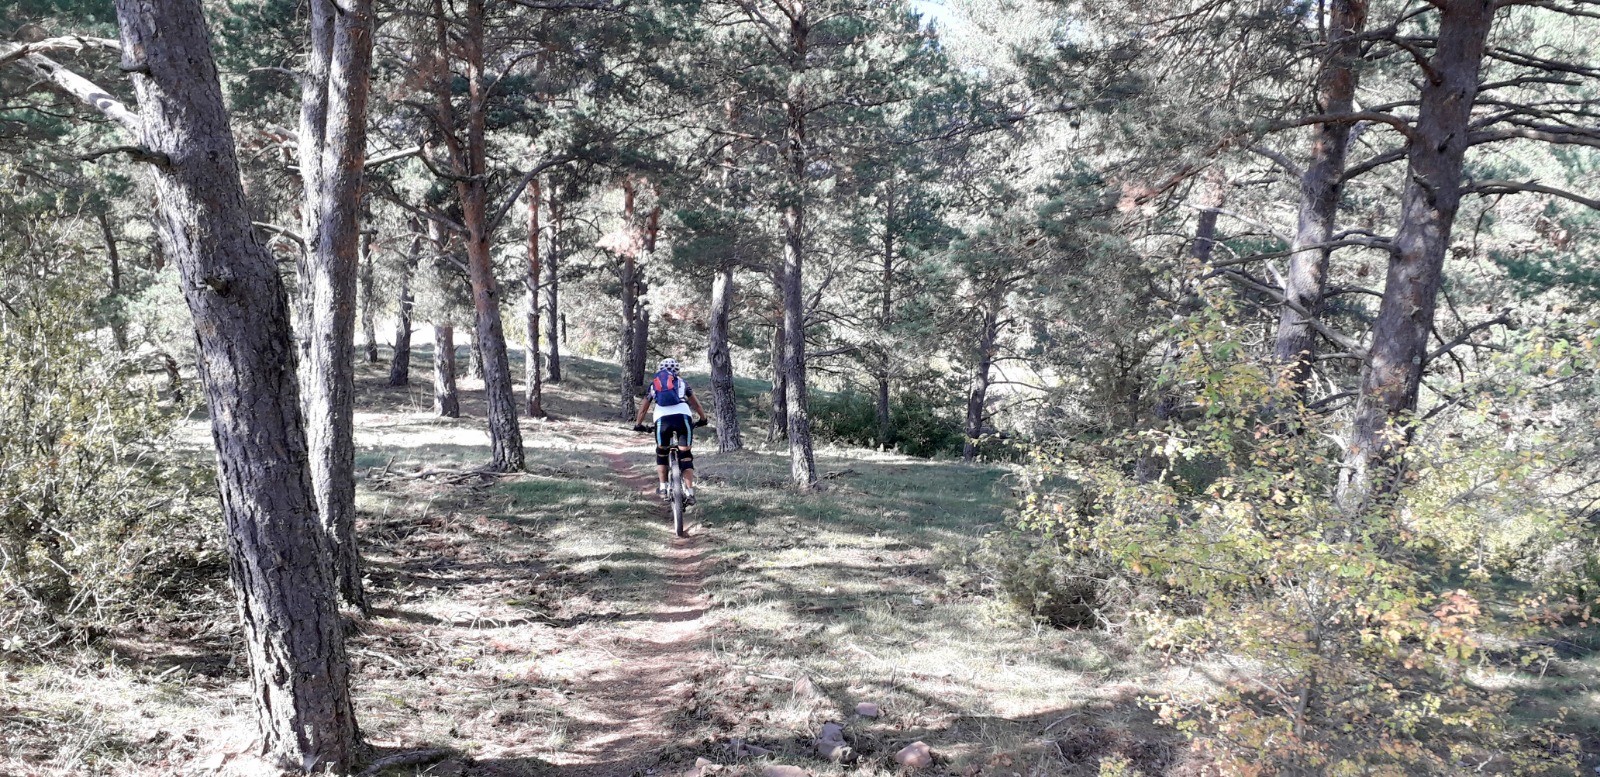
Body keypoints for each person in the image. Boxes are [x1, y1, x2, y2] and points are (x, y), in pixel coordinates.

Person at [632, 357, 709, 504]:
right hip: (683, 417)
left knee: (662, 451)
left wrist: (638, 424)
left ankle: (663, 486)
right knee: (685, 455)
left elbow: (643, 408)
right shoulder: (682, 383)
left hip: (662, 419)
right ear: (677, 371)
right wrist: (703, 419)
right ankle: (689, 492)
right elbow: (696, 405)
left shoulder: (655, 384)